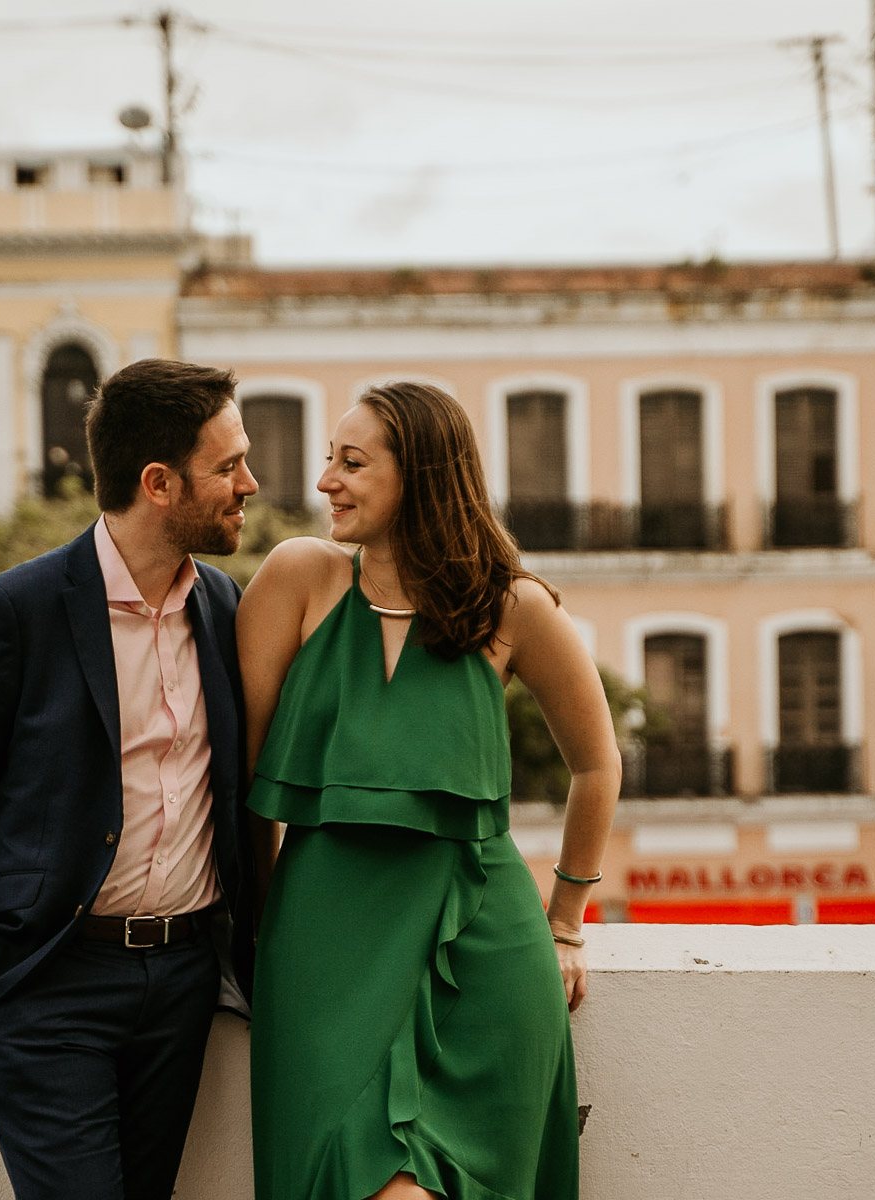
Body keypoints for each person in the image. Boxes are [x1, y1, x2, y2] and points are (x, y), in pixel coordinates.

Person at [237, 381, 620, 1200]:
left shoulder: (512, 606)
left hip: (483, 944)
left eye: (351, 462)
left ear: (421, 475)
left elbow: (598, 763)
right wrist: (261, 930)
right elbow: (243, 787)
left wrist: (567, 922)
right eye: (329, 460)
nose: (324, 481)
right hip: (321, 956)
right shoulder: (298, 579)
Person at [0, 357, 259, 1200]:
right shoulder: (12, 611)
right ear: (159, 483)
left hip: (178, 987)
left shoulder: (225, 605)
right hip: (46, 986)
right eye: (229, 465)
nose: (251, 482)